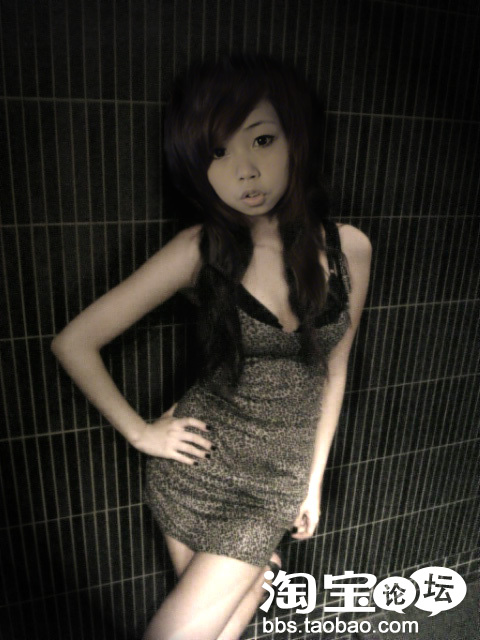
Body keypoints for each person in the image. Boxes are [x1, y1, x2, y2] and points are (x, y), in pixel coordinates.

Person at [51, 53, 371, 640]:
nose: (244, 171)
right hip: (196, 469)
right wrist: (141, 433)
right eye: (217, 153)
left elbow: (335, 371)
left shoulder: (350, 249)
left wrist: (313, 483)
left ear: (296, 139)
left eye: (262, 140)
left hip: (274, 484)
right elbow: (74, 342)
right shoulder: (199, 249)